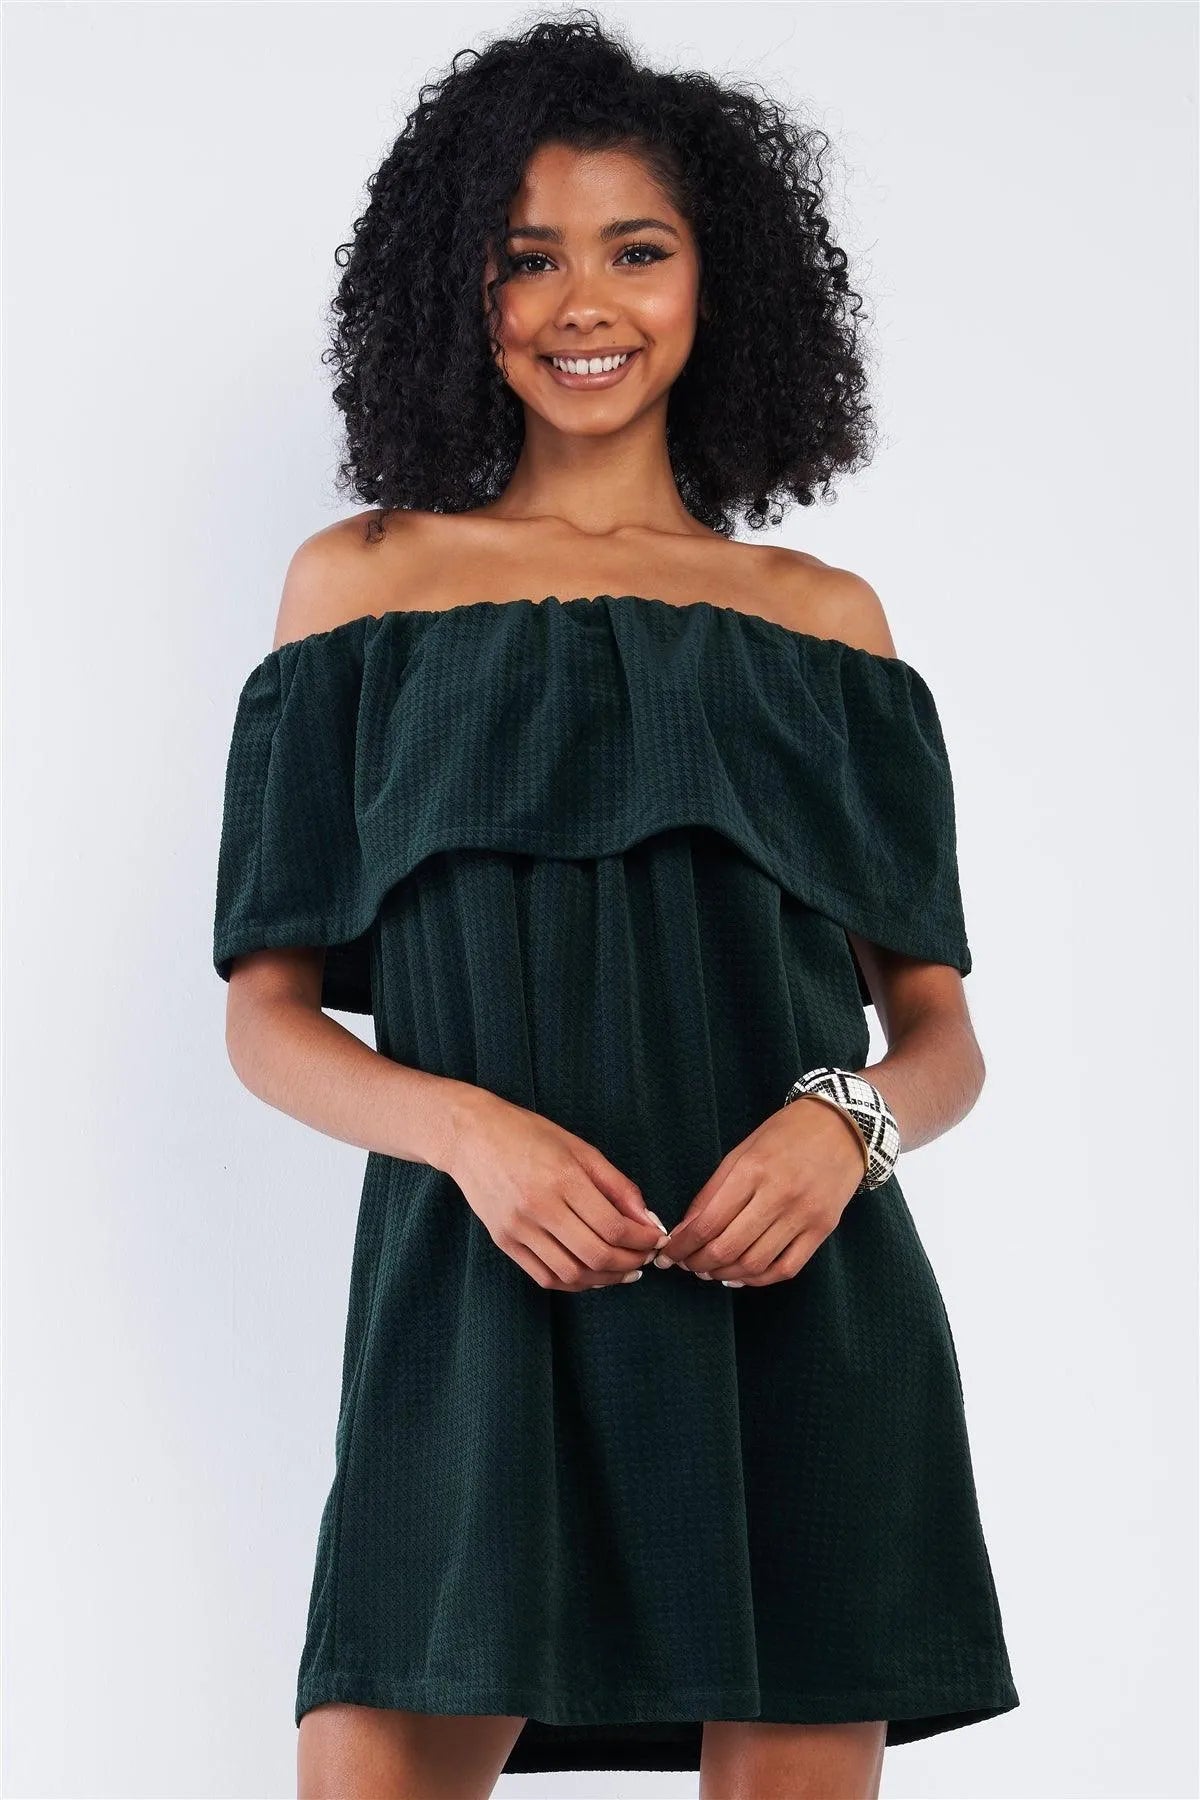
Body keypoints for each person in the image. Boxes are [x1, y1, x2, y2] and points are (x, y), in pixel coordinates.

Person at [212, 12, 1020, 1798]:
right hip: (477, 1300)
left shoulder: (822, 620)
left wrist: (847, 1130)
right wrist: (469, 1136)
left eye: (636, 250)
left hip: (792, 1296)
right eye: (530, 257)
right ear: (459, 290)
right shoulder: (360, 589)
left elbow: (940, 1035)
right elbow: (264, 1021)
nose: (586, 303)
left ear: (717, 282)